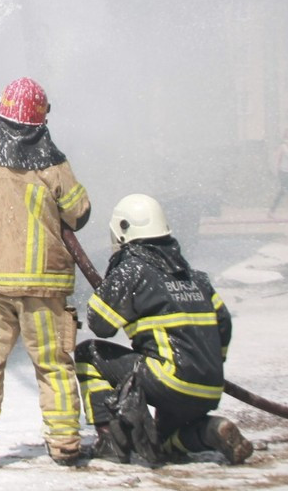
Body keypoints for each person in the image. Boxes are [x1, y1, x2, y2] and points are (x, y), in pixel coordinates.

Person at [0, 77, 92, 468]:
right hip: (44, 289)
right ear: (40, 119)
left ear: (0, 111)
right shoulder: (55, 164)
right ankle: (65, 445)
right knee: (53, 366)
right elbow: (79, 214)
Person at [76, 194, 252, 466]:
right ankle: (211, 431)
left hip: (169, 379)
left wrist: (112, 292)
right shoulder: (195, 276)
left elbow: (99, 325)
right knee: (163, 441)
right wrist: (211, 361)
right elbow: (224, 323)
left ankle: (110, 441)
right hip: (209, 385)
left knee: (87, 352)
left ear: (122, 230)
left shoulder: (133, 269)